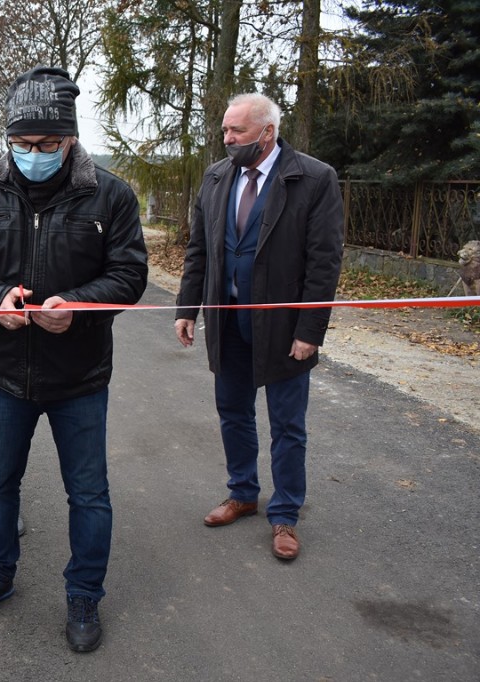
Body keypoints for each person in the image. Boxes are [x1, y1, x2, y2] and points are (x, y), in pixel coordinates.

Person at [0, 66, 148, 653]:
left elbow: (130, 274)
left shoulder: (110, 195)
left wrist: (78, 306)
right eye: (22, 143)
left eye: (48, 143)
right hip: (3, 373)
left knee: (89, 494)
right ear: (8, 138)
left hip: (80, 376)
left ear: (70, 139)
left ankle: (84, 594)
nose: (34, 154)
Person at [174, 93, 344, 562]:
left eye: (238, 131)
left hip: (284, 328)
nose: (228, 139)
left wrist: (310, 330)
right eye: (225, 131)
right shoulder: (215, 177)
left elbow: (324, 262)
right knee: (233, 412)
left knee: (287, 425)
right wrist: (187, 309)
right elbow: (199, 250)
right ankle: (243, 493)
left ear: (267, 132)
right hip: (227, 320)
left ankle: (285, 514)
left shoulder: (313, 178)